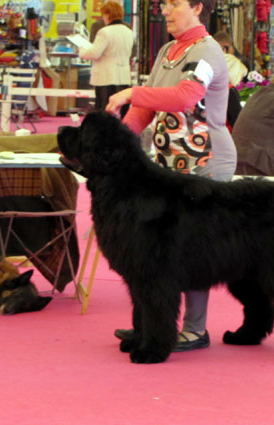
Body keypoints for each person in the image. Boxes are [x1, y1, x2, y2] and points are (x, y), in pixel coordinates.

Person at [106, 0, 236, 351]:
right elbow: (145, 108)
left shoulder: (207, 51)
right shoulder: (167, 50)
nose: (165, 9)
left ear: (197, 7)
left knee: (194, 249)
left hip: (206, 162)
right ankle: (151, 325)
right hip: (169, 163)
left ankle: (195, 330)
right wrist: (119, 143)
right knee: (157, 254)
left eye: (174, 3)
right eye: (163, 3)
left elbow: (185, 96)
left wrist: (131, 91)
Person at [78, 1, 134, 114]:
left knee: (104, 110)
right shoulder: (128, 31)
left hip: (106, 77)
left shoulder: (104, 32)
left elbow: (94, 53)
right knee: (122, 110)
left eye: (103, 14)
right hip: (123, 76)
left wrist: (82, 50)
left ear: (108, 15)